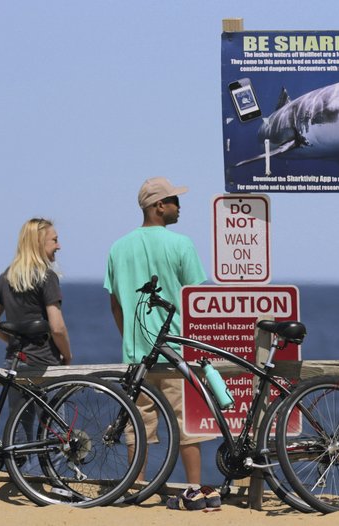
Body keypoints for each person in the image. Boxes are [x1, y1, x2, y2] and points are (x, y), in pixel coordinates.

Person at [104, 176, 208, 488]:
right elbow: (197, 301)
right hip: (177, 351)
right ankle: (193, 488)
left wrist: (131, 338)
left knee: (138, 427)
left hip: (137, 355)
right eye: (175, 200)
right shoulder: (181, 244)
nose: (180, 206)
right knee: (187, 427)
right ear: (158, 206)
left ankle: (136, 486)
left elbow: (116, 305)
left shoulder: (118, 248)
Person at [0, 217, 72, 367]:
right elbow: (57, 328)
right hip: (44, 365)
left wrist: (15, 340)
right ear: (39, 243)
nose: (59, 246)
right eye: (55, 240)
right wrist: (68, 355)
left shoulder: (6, 276)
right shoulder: (47, 277)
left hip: (14, 361)